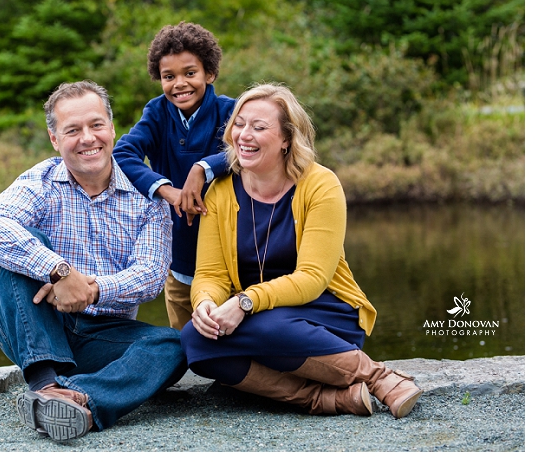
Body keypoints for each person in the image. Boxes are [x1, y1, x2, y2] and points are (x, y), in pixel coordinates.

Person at [180, 82, 423, 418]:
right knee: (195, 340)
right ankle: (328, 399)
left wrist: (244, 302)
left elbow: (313, 277)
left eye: (259, 127)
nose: (244, 135)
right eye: (239, 123)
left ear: (286, 139)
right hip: (255, 316)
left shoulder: (321, 184)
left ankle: (380, 377)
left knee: (266, 327)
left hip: (324, 312)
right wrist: (205, 303)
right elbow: (210, 273)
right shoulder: (220, 192)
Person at [0, 80, 187, 441]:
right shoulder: (41, 182)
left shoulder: (148, 198)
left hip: (103, 333)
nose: (87, 138)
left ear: (112, 127)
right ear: (55, 140)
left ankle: (83, 401)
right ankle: (45, 384)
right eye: (73, 130)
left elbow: (151, 275)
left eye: (96, 125)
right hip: (38, 322)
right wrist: (60, 272)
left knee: (174, 345)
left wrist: (91, 290)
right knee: (22, 247)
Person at [113, 21, 235, 330]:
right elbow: (123, 153)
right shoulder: (156, 113)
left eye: (190, 73)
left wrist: (202, 168)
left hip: (232, 255)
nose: (179, 84)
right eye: (169, 77)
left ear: (210, 73)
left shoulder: (231, 111)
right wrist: (168, 191)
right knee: (187, 343)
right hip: (179, 254)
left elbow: (245, 151)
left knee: (234, 336)